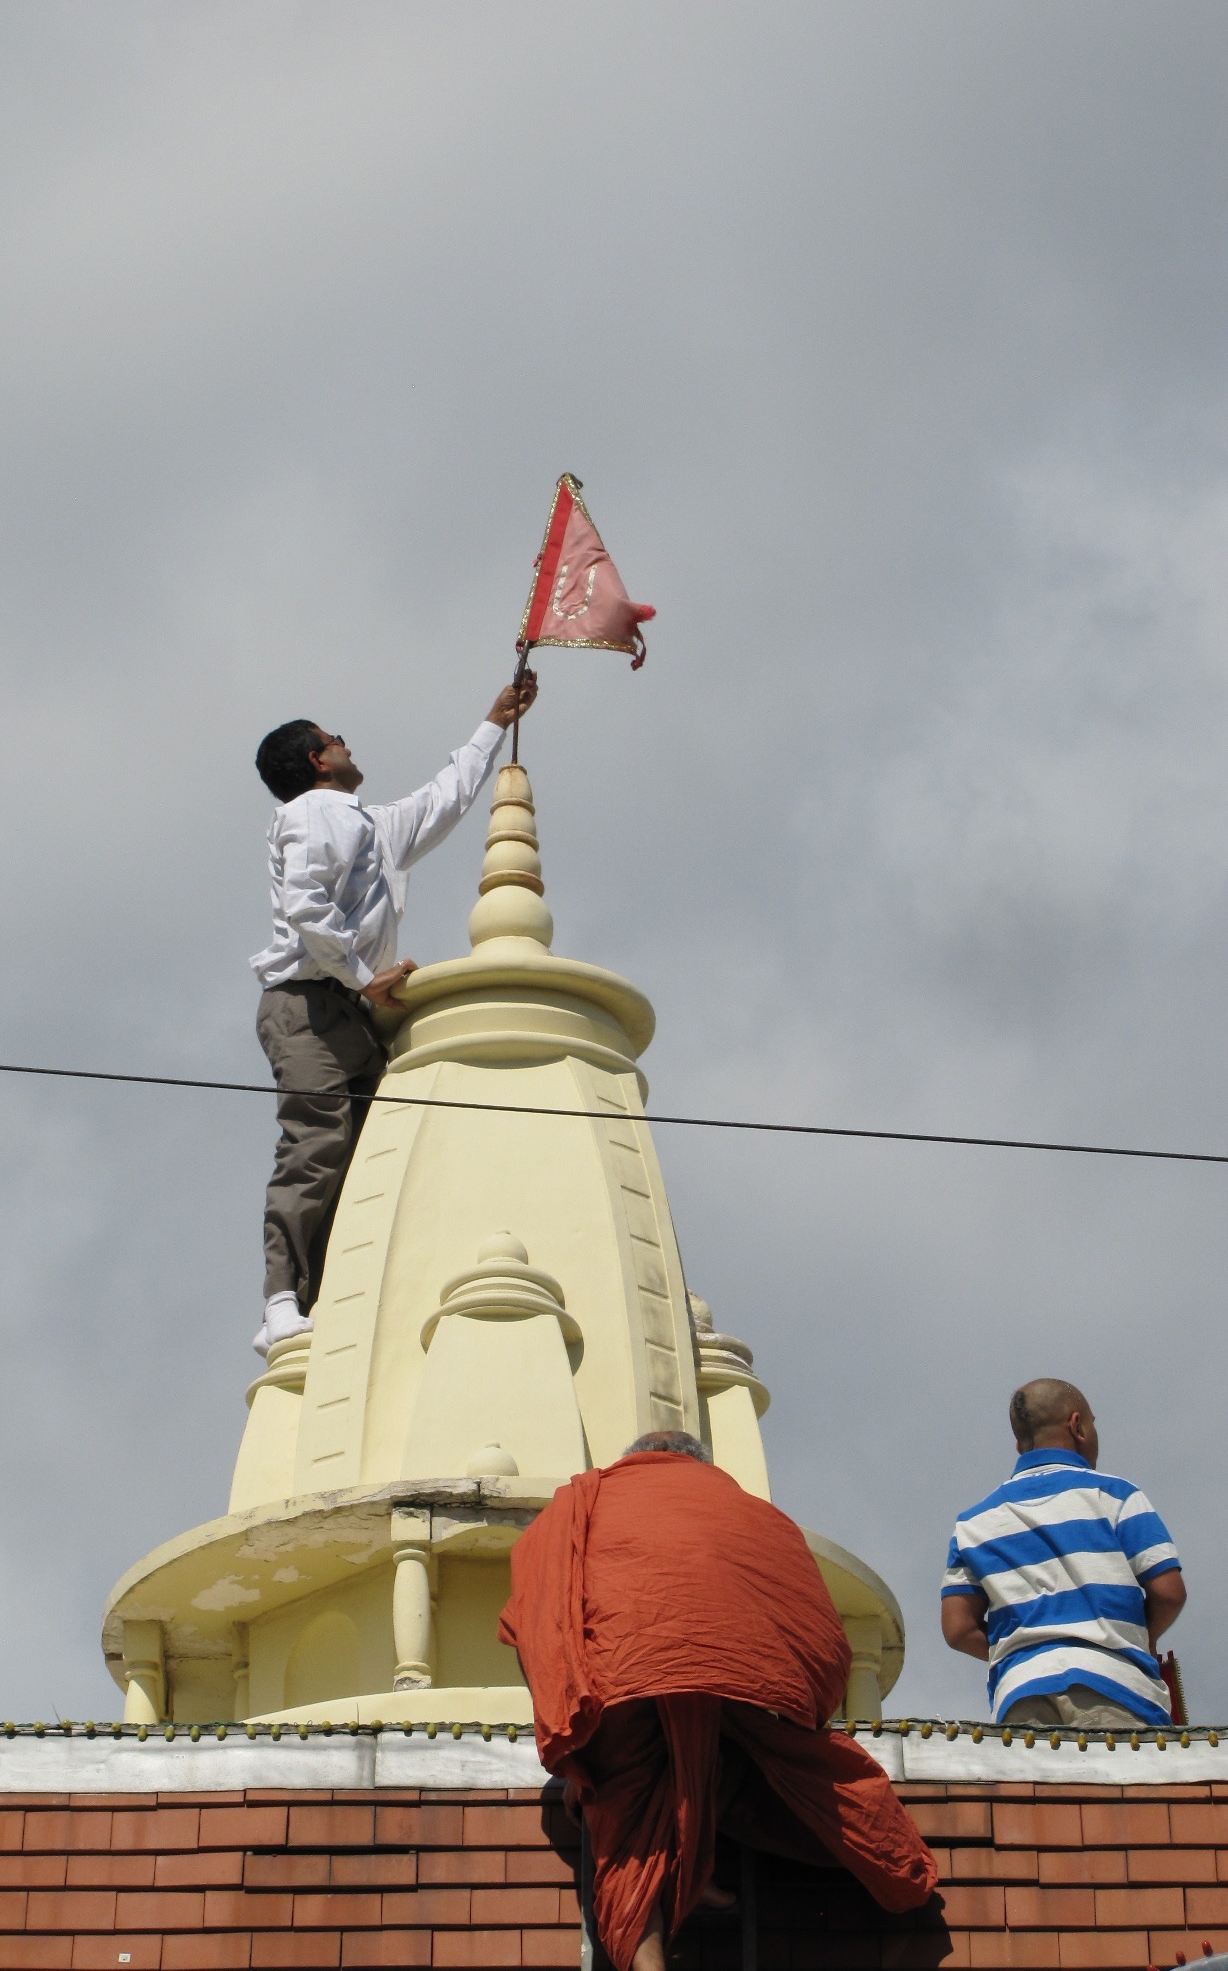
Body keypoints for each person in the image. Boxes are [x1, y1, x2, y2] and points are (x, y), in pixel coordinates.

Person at [498, 1431, 936, 1971]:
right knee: (734, 1747)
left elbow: (534, 1623)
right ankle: (693, 1855)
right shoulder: (760, 1518)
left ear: (633, 1461)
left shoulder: (584, 1503)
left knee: (624, 1813)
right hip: (740, 1681)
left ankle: (661, 1925)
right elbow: (824, 1644)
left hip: (627, 1677)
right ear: (702, 1466)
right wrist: (798, 1706)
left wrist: (576, 1749)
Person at [248, 672, 538, 1356]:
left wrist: (493, 722)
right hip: (312, 1004)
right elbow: (305, 907)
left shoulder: (368, 825)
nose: (348, 743)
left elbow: (447, 798)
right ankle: (283, 1303)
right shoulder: (314, 816)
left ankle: (328, 1298)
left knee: (371, 1155)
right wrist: (363, 977)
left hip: (346, 1010)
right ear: (319, 760)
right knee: (317, 1146)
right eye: (335, 739)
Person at [941, 1378, 1186, 1730]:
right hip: (1114, 1687)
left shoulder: (973, 1523)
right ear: (1078, 1427)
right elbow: (1169, 1592)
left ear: (1019, 1444)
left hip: (1020, 1696)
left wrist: (1021, 1654)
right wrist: (1139, 1639)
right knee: (1116, 1784)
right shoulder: (1118, 1496)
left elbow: (958, 1629)